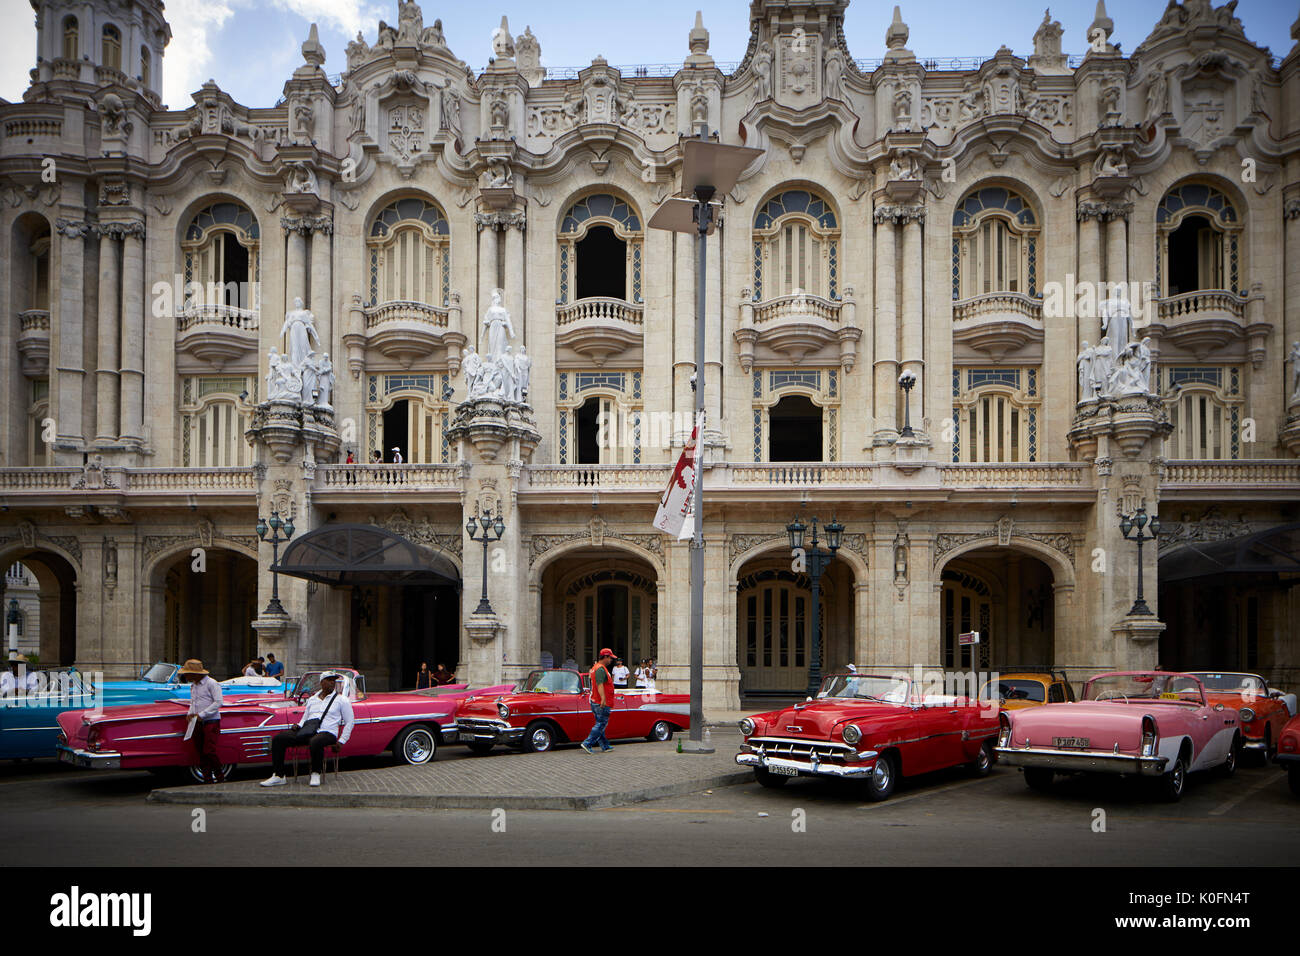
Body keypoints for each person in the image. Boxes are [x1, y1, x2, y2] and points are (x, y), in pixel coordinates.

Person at [261, 671, 355, 788]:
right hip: (309, 730)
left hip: (328, 732)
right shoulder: (312, 699)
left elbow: (350, 722)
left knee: (316, 741)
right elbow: (305, 717)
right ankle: (279, 775)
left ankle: (316, 772)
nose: (332, 683)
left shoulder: (342, 700)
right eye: (329, 680)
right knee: (279, 739)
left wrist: (341, 741)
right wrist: (299, 725)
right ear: (321, 682)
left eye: (333, 680)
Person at [180, 659, 225, 784]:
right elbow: (193, 702)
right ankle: (207, 778)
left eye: (187, 674)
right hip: (197, 721)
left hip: (211, 720)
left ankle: (219, 776)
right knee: (200, 751)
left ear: (195, 674)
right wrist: (189, 714)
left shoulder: (211, 683)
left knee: (209, 751)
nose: (186, 676)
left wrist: (202, 714)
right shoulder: (194, 685)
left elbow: (218, 702)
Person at [581, 648, 616, 754]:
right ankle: (588, 743)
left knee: (600, 724)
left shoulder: (595, 668)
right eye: (610, 658)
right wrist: (603, 699)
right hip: (600, 701)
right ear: (605, 657)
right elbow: (599, 685)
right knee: (601, 724)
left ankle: (605, 746)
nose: (611, 660)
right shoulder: (600, 669)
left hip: (595, 700)